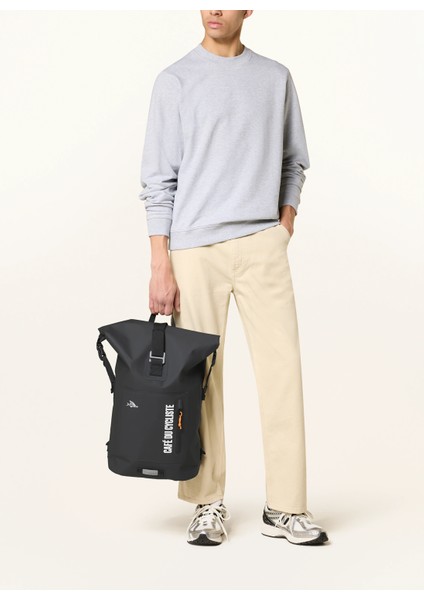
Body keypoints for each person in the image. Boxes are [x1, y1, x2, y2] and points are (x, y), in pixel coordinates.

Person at [139, 9, 329, 546]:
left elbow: (293, 161)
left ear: (250, 7)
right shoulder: (175, 81)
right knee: (198, 381)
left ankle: (286, 506)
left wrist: (284, 223)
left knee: (282, 372)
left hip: (262, 244)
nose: (215, 8)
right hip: (194, 250)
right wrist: (161, 263)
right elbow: (158, 180)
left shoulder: (274, 78)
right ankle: (207, 502)